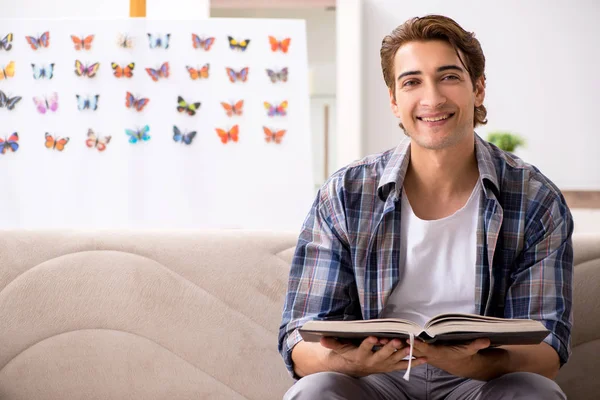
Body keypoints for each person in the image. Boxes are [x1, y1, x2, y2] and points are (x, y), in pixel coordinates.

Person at [278, 14, 573, 400]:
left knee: (535, 393)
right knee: (314, 392)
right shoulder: (346, 193)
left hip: (483, 380)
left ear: (478, 88)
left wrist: (470, 363)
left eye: (449, 76)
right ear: (394, 100)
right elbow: (300, 341)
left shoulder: (535, 198)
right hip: (375, 380)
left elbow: (547, 350)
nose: (432, 99)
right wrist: (357, 363)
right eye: (412, 82)